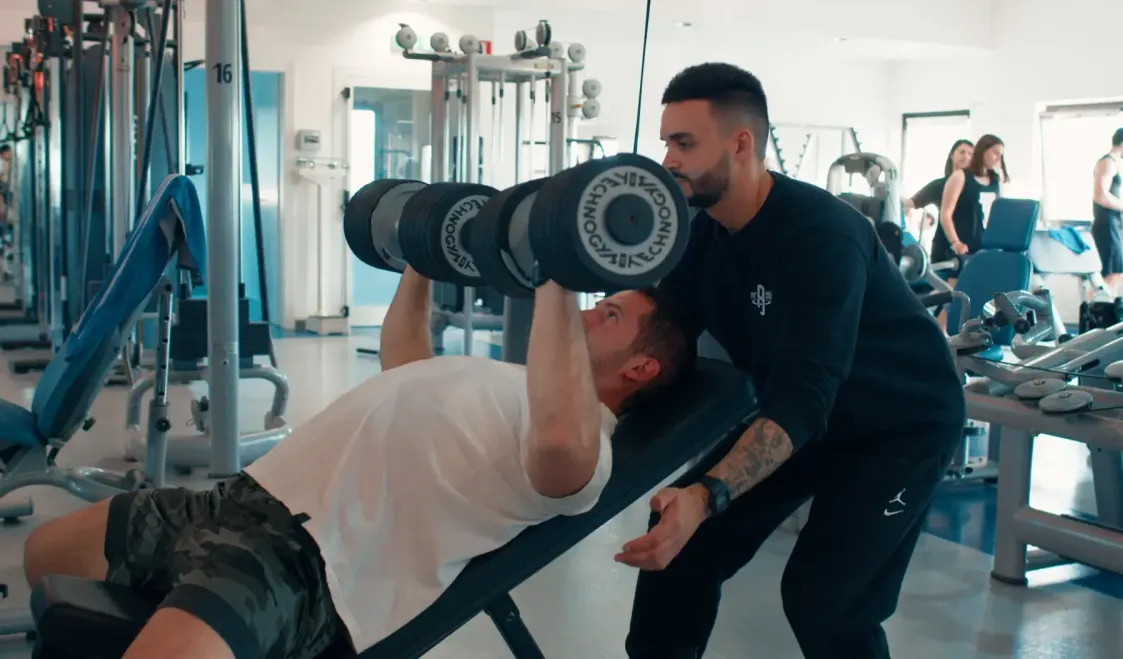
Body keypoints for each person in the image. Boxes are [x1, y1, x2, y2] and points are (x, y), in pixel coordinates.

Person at [22, 271, 696, 659]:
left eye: (608, 314)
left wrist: (556, 276)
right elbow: (404, 358)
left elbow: (557, 443)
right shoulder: (506, 381)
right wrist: (420, 261)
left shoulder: (585, 454)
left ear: (640, 367)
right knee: (47, 554)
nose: (588, 312)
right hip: (242, 501)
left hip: (308, 563)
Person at [619, 62, 965, 659]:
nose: (668, 160)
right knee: (681, 539)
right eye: (666, 143)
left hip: (898, 430)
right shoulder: (702, 235)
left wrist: (708, 495)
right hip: (804, 418)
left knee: (825, 600)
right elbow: (660, 337)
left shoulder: (822, 236)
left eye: (684, 143)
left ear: (740, 144)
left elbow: (806, 395)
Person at [932, 133, 1008, 279]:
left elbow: (998, 214)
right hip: (962, 249)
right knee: (956, 291)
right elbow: (945, 214)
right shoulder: (960, 176)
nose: (998, 158)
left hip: (984, 248)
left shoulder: (995, 181)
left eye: (1000, 155)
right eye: (995, 153)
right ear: (983, 150)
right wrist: (955, 242)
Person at [1091, 128, 1123, 296]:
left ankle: (1104, 309)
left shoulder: (1114, 163)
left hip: (1113, 224)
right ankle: (1102, 310)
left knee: (1113, 275)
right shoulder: (1108, 162)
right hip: (1107, 226)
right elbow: (1100, 196)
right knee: (1111, 275)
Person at [902, 139, 973, 240]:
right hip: (944, 243)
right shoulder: (939, 185)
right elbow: (911, 202)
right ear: (951, 155)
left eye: (970, 154)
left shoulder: (976, 186)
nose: (966, 157)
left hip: (971, 243)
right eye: (962, 152)